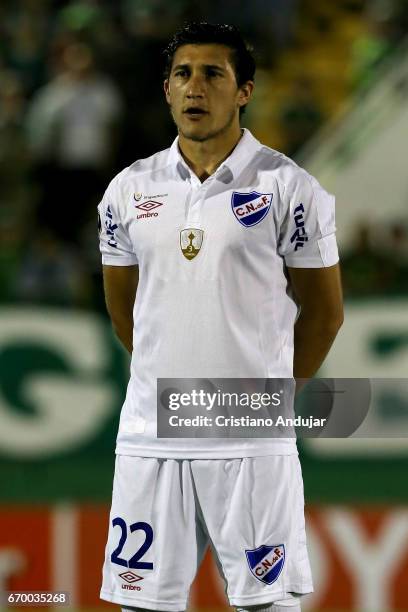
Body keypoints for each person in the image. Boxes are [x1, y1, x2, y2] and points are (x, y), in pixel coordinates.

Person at [98, 22, 343, 612]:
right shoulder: (128, 190)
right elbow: (124, 310)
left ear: (244, 92)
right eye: (183, 74)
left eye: (213, 74)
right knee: (143, 607)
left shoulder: (289, 186)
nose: (195, 87)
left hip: (250, 442)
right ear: (166, 90)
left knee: (267, 605)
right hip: (150, 436)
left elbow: (325, 313)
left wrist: (272, 403)